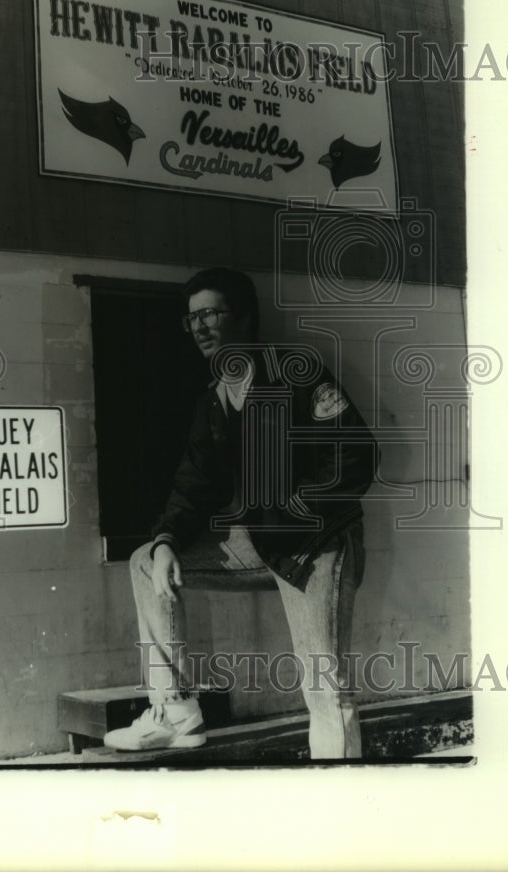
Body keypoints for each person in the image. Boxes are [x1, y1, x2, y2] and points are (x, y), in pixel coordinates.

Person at [104, 267, 377, 759]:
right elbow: (194, 483)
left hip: (318, 545)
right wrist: (167, 538)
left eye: (211, 313)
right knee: (147, 560)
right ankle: (176, 711)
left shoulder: (296, 370)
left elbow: (355, 455)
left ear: (245, 318)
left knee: (323, 685)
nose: (201, 327)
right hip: (263, 540)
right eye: (192, 319)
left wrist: (296, 512)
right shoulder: (214, 400)